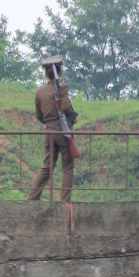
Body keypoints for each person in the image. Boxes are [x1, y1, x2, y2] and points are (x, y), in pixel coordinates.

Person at [26, 56, 79, 203]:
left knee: (47, 167)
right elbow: (67, 108)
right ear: (59, 73)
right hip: (62, 131)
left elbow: (39, 115)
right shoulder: (62, 88)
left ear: (46, 74)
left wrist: (50, 122)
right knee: (67, 167)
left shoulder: (39, 92)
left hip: (48, 131)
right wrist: (73, 117)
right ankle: (64, 202)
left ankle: (31, 198)